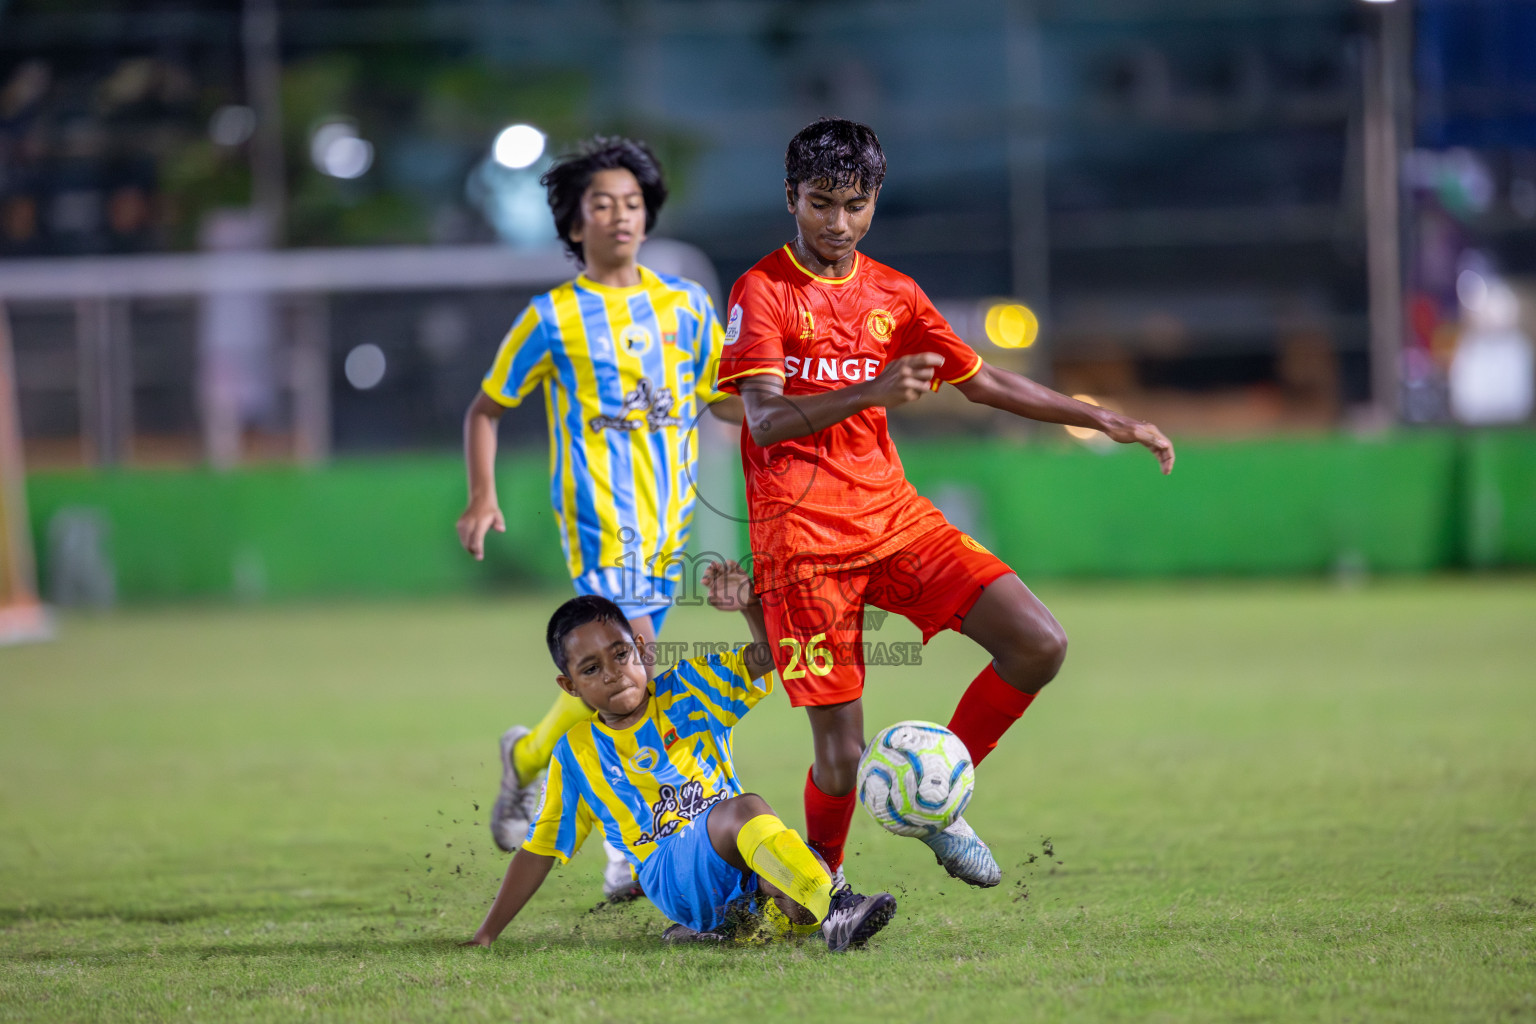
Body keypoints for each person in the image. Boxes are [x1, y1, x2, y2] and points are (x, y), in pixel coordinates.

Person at [714, 117, 1176, 889]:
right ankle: (815, 892)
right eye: (821, 203)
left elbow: (983, 379)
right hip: (800, 547)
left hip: (896, 522)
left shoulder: (894, 292)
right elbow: (761, 418)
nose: (838, 223)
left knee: (1039, 644)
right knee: (840, 756)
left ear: (875, 202)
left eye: (855, 205)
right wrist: (873, 388)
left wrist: (1101, 416)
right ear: (791, 197)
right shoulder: (760, 291)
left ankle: (935, 795)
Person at [456, 136, 741, 901]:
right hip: (599, 527)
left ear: (648, 217)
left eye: (633, 203)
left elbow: (725, 402)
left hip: (670, 526)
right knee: (638, 675)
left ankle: (525, 762)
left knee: (612, 680)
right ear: (574, 225)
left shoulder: (686, 306)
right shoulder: (552, 318)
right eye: (601, 205)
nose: (620, 216)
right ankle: (629, 845)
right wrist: (483, 496)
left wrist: (796, 417)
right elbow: (485, 410)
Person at [462, 563, 897, 952]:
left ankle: (737, 924)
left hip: (737, 860)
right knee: (746, 809)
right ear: (569, 686)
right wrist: (486, 934)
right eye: (591, 669)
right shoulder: (576, 752)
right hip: (671, 873)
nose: (613, 673)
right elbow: (539, 850)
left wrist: (749, 605)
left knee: (798, 889)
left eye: (620, 655)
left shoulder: (690, 687)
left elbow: (771, 656)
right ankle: (839, 907)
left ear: (641, 648)